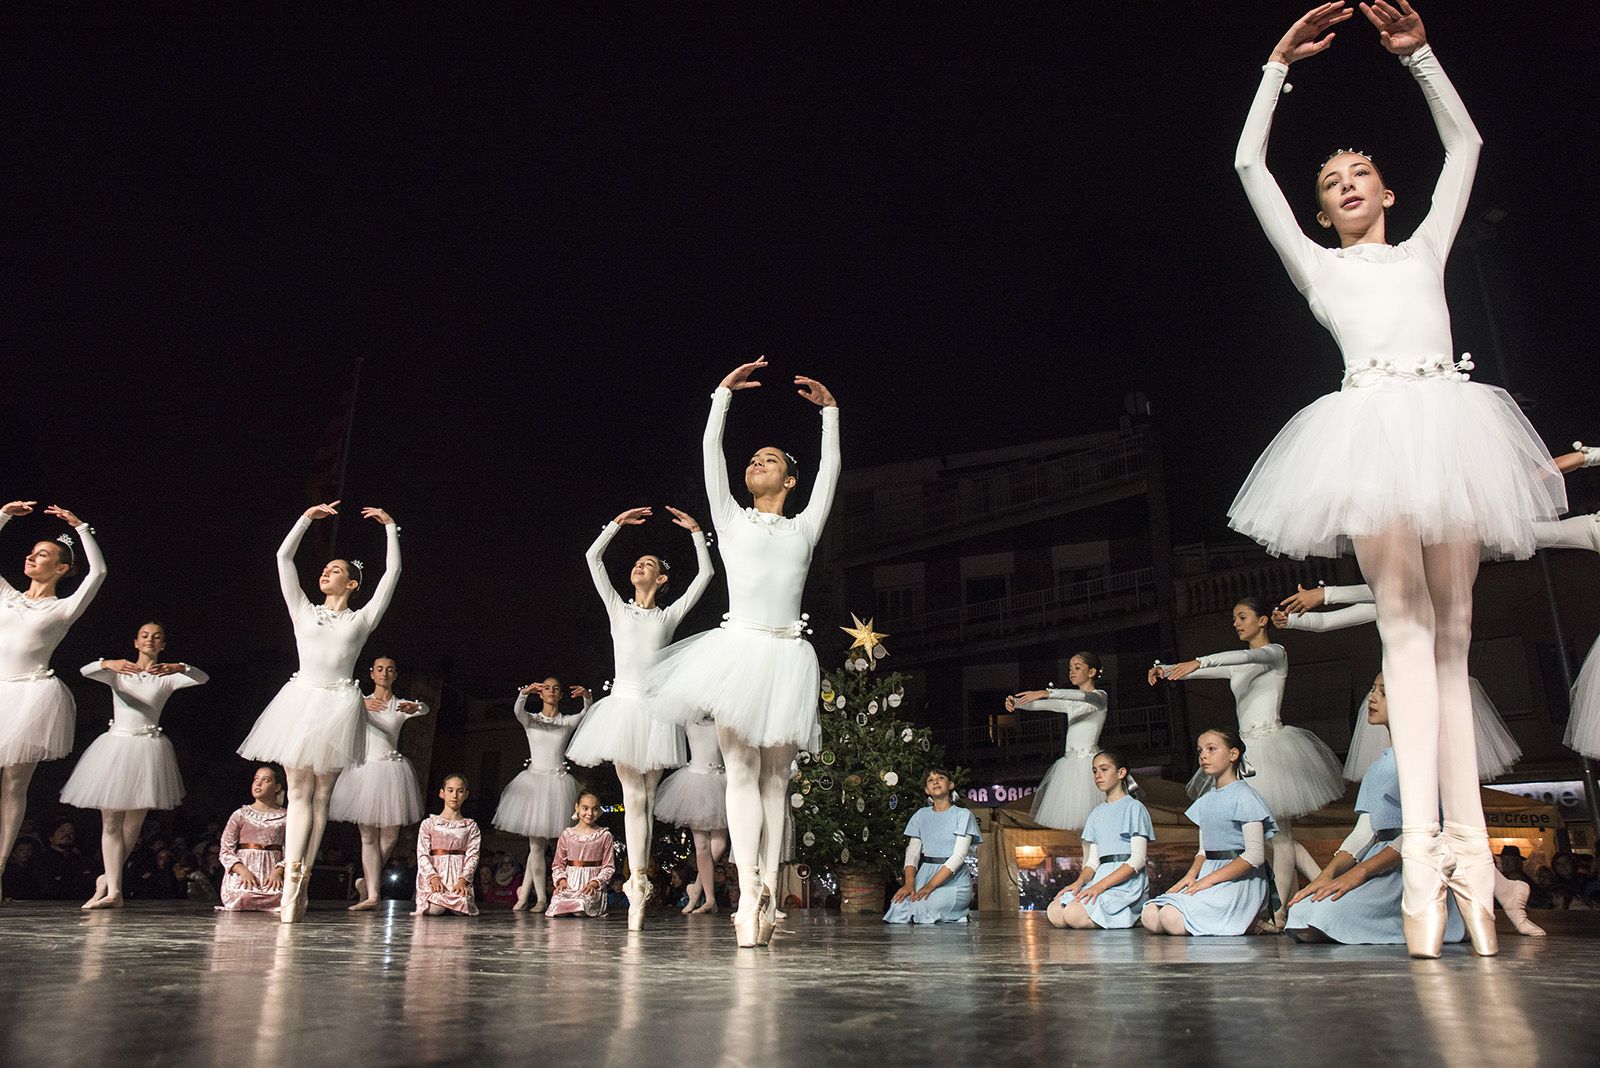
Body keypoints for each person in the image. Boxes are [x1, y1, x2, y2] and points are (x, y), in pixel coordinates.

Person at [1227, 1, 1564, 958]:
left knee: (1453, 641)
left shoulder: (1425, 249)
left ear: (1384, 188)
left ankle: (1464, 854)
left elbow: (1467, 145)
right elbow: (1251, 168)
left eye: (1357, 173)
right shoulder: (1318, 272)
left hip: (1450, 424)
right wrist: (1274, 70)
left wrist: (1421, 62)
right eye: (1330, 183)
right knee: (1407, 633)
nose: (1343, 186)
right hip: (1370, 428)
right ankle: (1423, 856)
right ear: (1324, 207)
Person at [648, 356, 840, 947]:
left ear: (788, 481)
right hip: (738, 652)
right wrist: (720, 397)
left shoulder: (805, 527)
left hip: (785, 656)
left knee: (777, 782)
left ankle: (769, 889)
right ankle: (748, 887)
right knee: (741, 773)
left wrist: (830, 414)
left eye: (771, 460)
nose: (757, 462)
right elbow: (712, 457)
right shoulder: (729, 520)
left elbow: (832, 469)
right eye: (753, 459)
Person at [237, 502, 401, 922]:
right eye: (325, 569)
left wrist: (390, 530)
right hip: (301, 700)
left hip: (338, 703)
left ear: (351, 583)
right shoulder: (304, 610)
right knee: (297, 794)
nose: (327, 573)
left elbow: (392, 576)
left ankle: (302, 878)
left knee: (321, 795)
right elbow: (282, 557)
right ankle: (291, 885)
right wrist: (306, 520)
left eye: (336, 569)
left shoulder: (361, 620)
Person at [566, 505, 712, 929]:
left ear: (661, 579)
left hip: (656, 710)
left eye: (647, 565)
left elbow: (704, 578)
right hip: (624, 708)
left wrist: (697, 534)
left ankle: (641, 881)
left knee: (646, 800)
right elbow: (593, 559)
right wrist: (614, 525)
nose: (638, 566)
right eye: (636, 563)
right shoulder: (617, 608)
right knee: (634, 797)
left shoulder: (667, 615)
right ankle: (636, 884)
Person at [1150, 599, 1341, 926]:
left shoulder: (1275, 653)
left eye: (1242, 617)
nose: (1236, 623)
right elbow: (1212, 669)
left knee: (1279, 838)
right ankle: (1321, 888)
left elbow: (1244, 656)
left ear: (1263, 620)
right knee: (1275, 839)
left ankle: (1281, 914)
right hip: (1245, 751)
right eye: (1234, 618)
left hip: (1272, 749)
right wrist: (1167, 670)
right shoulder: (1239, 664)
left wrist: (1198, 660)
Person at [1286, 675, 1467, 946]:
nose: (1371, 698)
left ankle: (1410, 919)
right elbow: (1364, 832)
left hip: (1410, 866)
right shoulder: (1377, 766)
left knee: (1322, 919)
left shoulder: (1428, 760)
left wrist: (1361, 872)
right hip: (1377, 863)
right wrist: (1328, 874)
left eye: (1383, 692)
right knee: (1302, 915)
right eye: (1372, 689)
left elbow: (1424, 831)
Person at [0, 501, 106, 899]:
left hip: (30, 694)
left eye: (42, 554)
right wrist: (4, 516)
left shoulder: (62, 609)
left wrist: (81, 527)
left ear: (60, 568)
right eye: (32, 552)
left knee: (13, 786)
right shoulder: (6, 594)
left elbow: (98, 573)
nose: (31, 556)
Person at [61, 623, 208, 908]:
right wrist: (108, 663)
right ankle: (115, 891)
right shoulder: (119, 672)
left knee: (133, 825)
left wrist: (180, 667)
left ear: (163, 644)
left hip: (148, 750)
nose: (150, 640)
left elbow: (202, 679)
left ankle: (108, 880)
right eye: (144, 636)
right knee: (112, 820)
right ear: (136, 642)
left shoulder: (166, 677)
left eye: (157, 637)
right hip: (116, 747)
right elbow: (85, 671)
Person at [1143, 729, 1277, 936]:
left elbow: (1254, 856)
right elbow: (1203, 851)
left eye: (1212, 749)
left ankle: (1248, 920)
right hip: (1209, 875)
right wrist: (1191, 876)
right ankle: (1239, 922)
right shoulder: (1205, 800)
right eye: (1200, 751)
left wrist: (1208, 881)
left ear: (1233, 754)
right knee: (1150, 915)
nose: (1204, 756)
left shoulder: (1245, 796)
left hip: (1238, 881)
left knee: (1170, 917)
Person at [329, 656, 428, 911]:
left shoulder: (399, 705)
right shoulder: (360, 702)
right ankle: (373, 895)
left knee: (391, 835)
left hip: (393, 770)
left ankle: (365, 880)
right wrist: (360, 706)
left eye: (390, 670)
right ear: (372, 674)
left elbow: (424, 709)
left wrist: (415, 707)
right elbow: (338, 715)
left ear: (395, 675)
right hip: (365, 770)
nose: (384, 673)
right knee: (368, 836)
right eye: (380, 669)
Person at [492, 677, 591, 913]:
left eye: (556, 688)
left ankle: (523, 894)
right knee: (536, 847)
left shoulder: (566, 722)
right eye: (546, 688)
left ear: (560, 695)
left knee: (539, 848)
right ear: (541, 693)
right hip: (534, 785)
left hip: (557, 785)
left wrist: (587, 696)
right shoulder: (532, 720)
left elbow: (586, 714)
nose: (551, 691)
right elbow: (518, 710)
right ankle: (541, 899)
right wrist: (524, 693)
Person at [1046, 750, 1154, 930]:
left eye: (1104, 769)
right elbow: (1093, 862)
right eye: (1095, 771)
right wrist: (1078, 884)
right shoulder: (1096, 813)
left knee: (1073, 914)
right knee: (1055, 911)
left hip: (1126, 883)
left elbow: (1138, 860)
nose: (1098, 775)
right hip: (1100, 878)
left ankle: (1130, 915)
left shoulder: (1134, 808)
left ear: (1121, 773)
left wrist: (1100, 887)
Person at [1007, 652, 1108, 831]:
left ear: (1091, 672)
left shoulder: (1100, 696)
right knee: (1079, 826)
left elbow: (1082, 697)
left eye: (1077, 668)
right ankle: (1088, 859)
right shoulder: (1071, 702)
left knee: (1093, 822)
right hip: (1069, 764)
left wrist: (1046, 692)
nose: (1072, 672)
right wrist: (1016, 703)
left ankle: (1096, 857)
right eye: (1070, 669)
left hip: (1088, 764)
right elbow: (1038, 705)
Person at [652, 712, 729, 914]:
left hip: (721, 780)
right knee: (702, 845)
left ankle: (696, 887)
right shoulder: (687, 716)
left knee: (719, 846)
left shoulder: (723, 715)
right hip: (695, 782)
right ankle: (709, 899)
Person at [884, 769, 981, 924]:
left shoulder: (963, 815)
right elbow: (913, 853)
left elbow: (958, 856)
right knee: (898, 907)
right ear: (926, 790)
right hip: (924, 874)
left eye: (941, 778)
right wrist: (909, 884)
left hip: (953, 879)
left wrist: (930, 885)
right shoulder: (920, 815)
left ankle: (959, 914)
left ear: (951, 785)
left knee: (923, 907)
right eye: (930, 780)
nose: (935, 781)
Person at [217, 766, 289, 912]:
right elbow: (226, 851)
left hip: (271, 874)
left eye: (265, 780)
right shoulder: (240, 814)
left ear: (277, 787)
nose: (258, 783)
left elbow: (292, 850)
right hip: (244, 872)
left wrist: (279, 872)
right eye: (256, 779)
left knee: (281, 897)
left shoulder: (286, 817)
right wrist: (243, 871)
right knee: (244, 895)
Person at [414, 774, 480, 917]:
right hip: (436, 877)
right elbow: (422, 854)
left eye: (460, 791)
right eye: (450, 790)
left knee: (460, 909)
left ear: (466, 794)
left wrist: (463, 880)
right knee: (436, 910)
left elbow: (472, 856)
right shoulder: (429, 824)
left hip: (458, 878)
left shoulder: (470, 826)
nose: (454, 795)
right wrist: (433, 877)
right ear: (442, 793)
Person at [546, 792, 616, 918]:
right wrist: (561, 881)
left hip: (590, 887)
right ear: (577, 807)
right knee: (558, 909)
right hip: (569, 885)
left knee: (579, 909)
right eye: (585, 808)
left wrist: (594, 883)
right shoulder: (567, 835)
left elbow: (608, 867)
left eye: (594, 809)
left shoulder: (604, 835)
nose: (589, 813)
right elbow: (558, 865)